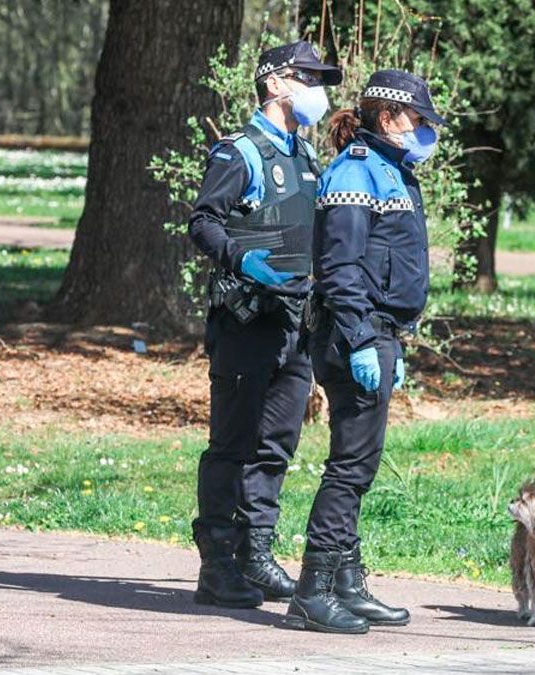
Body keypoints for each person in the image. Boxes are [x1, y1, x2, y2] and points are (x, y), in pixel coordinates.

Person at [282, 70, 443, 634]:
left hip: (379, 333)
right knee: (349, 467)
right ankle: (312, 589)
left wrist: (390, 339)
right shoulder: (355, 171)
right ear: (388, 117)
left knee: (361, 463)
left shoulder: (391, 171)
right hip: (356, 332)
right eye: (418, 120)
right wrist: (358, 340)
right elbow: (341, 268)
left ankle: (347, 583)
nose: (424, 130)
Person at [186, 41, 341, 609]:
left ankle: (255, 556)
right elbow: (202, 223)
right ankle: (217, 565)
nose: (318, 90)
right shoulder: (240, 153)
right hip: (246, 324)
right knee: (231, 445)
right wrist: (241, 260)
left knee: (275, 446)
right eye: (309, 78)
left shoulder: (304, 156)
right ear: (276, 83)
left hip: (294, 326)